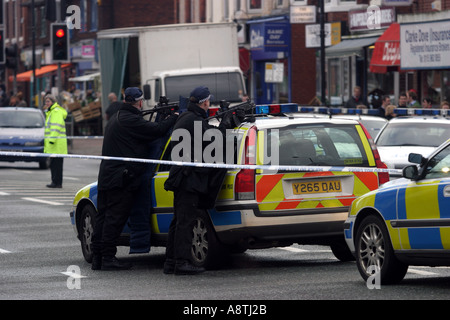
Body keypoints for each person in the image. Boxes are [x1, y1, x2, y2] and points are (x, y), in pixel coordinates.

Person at [92, 87, 178, 271]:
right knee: (114, 218)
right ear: (139, 102)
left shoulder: (117, 117)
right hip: (120, 178)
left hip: (107, 175)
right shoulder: (130, 120)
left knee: (103, 217)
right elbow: (158, 130)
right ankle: (107, 257)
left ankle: (97, 257)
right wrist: (174, 117)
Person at [163, 86, 238, 275]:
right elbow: (214, 140)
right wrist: (226, 124)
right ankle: (181, 262)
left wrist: (222, 123)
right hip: (188, 179)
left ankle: (171, 261)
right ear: (205, 102)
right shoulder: (193, 120)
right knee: (185, 222)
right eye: (208, 101)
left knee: (179, 221)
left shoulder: (188, 117)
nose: (209, 105)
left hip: (183, 177)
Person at [43, 94, 68, 188]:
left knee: (55, 165)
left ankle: (56, 182)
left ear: (53, 102)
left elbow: (56, 127)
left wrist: (51, 140)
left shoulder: (55, 112)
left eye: (48, 101)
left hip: (56, 143)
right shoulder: (51, 111)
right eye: (46, 102)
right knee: (55, 164)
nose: (47, 103)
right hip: (55, 143)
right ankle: (56, 182)